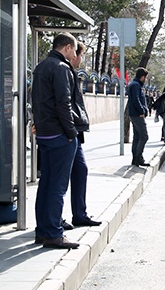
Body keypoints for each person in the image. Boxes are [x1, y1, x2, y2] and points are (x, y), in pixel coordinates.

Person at [31, 32, 80, 249]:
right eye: (74, 50)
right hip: (60, 134)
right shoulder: (61, 68)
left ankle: (42, 230)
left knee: (46, 184)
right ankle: (53, 233)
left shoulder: (41, 66)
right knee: (58, 186)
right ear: (68, 47)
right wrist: (71, 132)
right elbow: (64, 103)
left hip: (44, 133)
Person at [67, 42, 101, 228]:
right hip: (65, 134)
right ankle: (55, 221)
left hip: (74, 134)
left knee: (81, 170)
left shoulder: (71, 73)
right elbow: (63, 104)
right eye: (79, 54)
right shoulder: (62, 72)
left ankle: (79, 214)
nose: (80, 59)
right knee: (59, 180)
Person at [127, 67, 150, 166]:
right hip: (137, 115)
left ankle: (135, 159)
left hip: (134, 114)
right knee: (144, 136)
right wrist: (142, 110)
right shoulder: (136, 85)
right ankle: (138, 158)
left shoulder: (135, 85)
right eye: (145, 77)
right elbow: (136, 100)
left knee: (137, 137)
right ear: (142, 77)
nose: (145, 80)